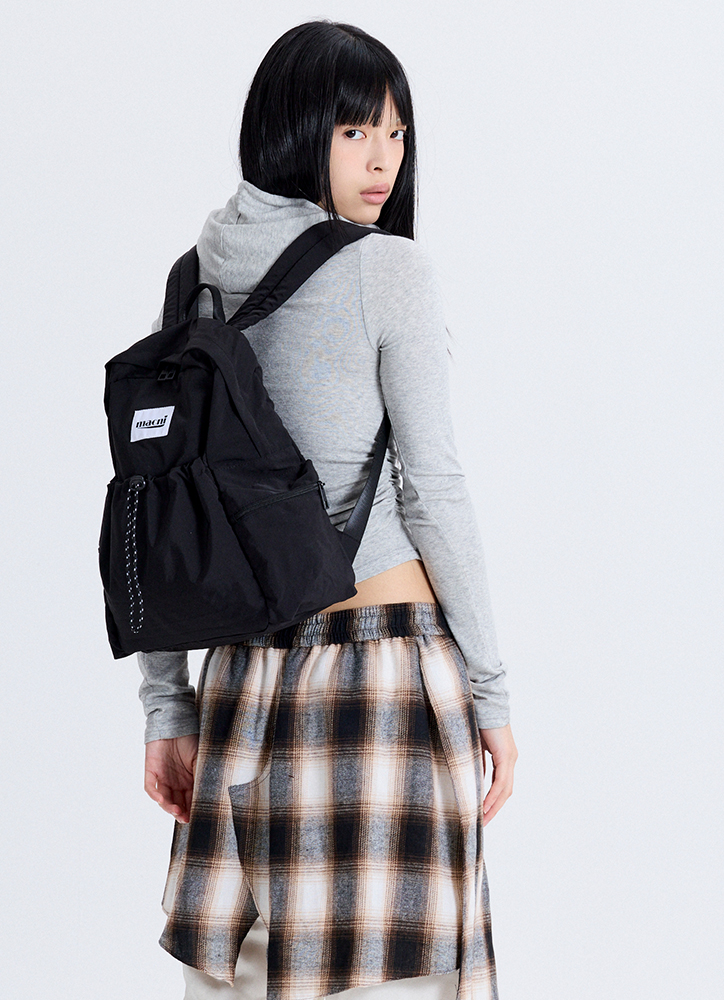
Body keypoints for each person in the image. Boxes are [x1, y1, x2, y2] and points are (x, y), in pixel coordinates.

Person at [136, 20, 518, 1000]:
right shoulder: (388, 270)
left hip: (242, 683)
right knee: (399, 980)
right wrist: (492, 694)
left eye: (396, 132)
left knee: (246, 976)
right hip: (380, 676)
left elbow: (157, 509)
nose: (384, 159)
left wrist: (167, 707)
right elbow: (433, 489)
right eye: (355, 131)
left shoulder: (192, 274)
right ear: (293, 129)